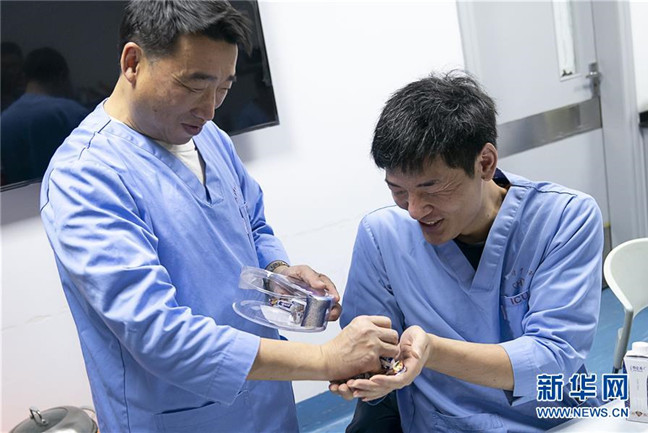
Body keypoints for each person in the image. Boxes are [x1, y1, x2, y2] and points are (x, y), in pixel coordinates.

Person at [39, 1, 398, 432]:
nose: (209, 109)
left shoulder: (210, 140)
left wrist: (279, 272)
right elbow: (160, 335)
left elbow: (253, 226)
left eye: (224, 88)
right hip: (180, 417)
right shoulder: (85, 177)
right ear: (133, 63)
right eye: (194, 85)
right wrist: (325, 359)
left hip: (266, 402)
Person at [330, 71, 603, 432]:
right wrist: (365, 373)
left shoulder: (564, 218)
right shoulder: (382, 235)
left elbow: (553, 358)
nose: (414, 210)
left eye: (431, 188)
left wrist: (431, 351)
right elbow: (372, 352)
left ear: (485, 163)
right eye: (398, 191)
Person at [1, 47, 89, 185]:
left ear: (25, 77)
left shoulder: (5, 119)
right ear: (62, 76)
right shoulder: (71, 113)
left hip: (18, 197)